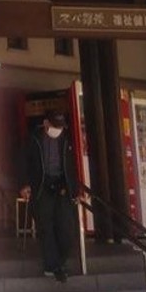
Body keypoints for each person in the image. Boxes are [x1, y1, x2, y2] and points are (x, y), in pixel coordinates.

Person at [19, 109, 87, 282]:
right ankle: (53, 266)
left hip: (63, 187)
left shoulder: (66, 139)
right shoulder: (33, 139)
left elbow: (72, 166)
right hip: (41, 187)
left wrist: (76, 189)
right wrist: (24, 184)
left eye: (61, 126)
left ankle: (59, 262)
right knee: (46, 227)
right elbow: (23, 162)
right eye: (55, 126)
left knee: (67, 228)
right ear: (46, 124)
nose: (58, 129)